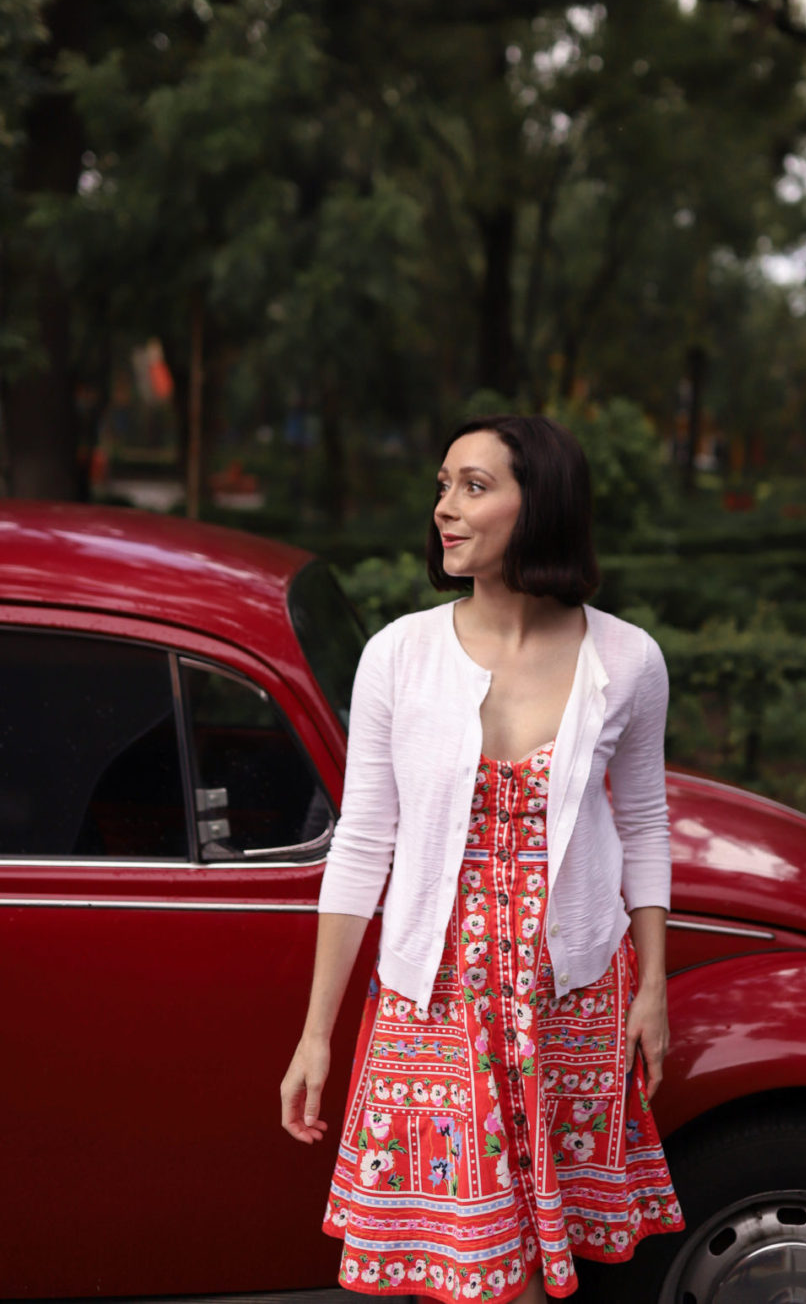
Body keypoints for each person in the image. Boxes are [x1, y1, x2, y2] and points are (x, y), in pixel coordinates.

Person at [280, 413, 684, 1302]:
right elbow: (362, 844)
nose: (445, 511)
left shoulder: (628, 659)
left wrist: (652, 988)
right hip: (436, 1000)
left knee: (540, 1270)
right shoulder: (398, 657)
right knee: (456, 1270)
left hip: (568, 995)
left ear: (538, 504)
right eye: (442, 487)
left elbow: (647, 826)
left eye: (473, 487)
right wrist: (316, 1034)